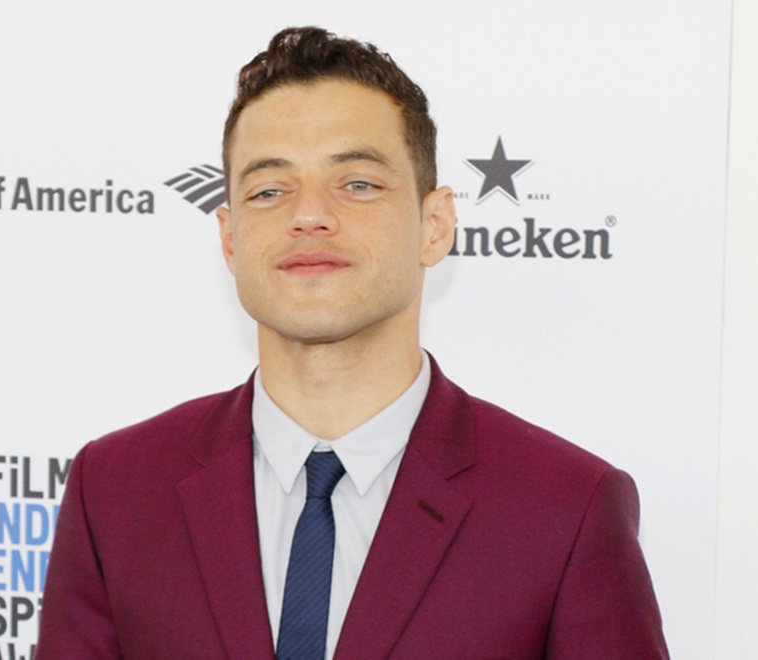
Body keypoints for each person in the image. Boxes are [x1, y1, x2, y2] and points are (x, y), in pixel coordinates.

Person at [36, 26, 668, 659]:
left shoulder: (568, 510)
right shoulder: (114, 492)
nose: (308, 215)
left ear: (435, 225)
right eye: (269, 190)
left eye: (358, 183)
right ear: (229, 238)